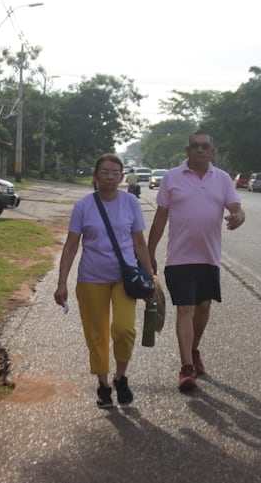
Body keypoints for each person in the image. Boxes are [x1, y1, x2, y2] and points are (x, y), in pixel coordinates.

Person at [148, 130, 245, 392]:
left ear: (212, 151)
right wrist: (149, 253)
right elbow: (160, 218)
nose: (200, 150)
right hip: (179, 258)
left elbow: (236, 208)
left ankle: (193, 350)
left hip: (209, 257)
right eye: (195, 146)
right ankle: (187, 367)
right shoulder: (172, 178)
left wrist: (239, 217)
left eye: (205, 146)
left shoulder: (222, 178)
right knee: (185, 309)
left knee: (203, 307)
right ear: (187, 150)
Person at [55, 154, 153, 409]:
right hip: (91, 279)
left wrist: (151, 277)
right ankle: (103, 383)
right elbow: (71, 246)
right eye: (105, 172)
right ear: (96, 175)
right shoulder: (83, 206)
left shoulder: (131, 202)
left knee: (123, 329)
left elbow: (139, 243)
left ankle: (120, 377)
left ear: (122, 177)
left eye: (115, 172)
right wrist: (62, 282)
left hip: (125, 278)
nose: (110, 177)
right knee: (96, 335)